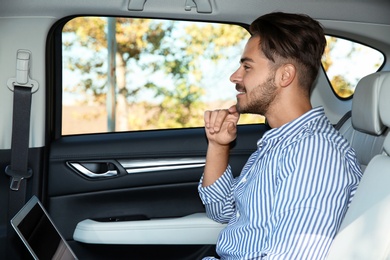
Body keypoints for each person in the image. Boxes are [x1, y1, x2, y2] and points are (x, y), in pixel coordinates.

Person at [198, 12, 362, 259]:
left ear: (284, 76)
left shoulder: (314, 154)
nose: (235, 76)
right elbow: (220, 211)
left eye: (247, 66)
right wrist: (218, 145)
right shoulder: (277, 143)